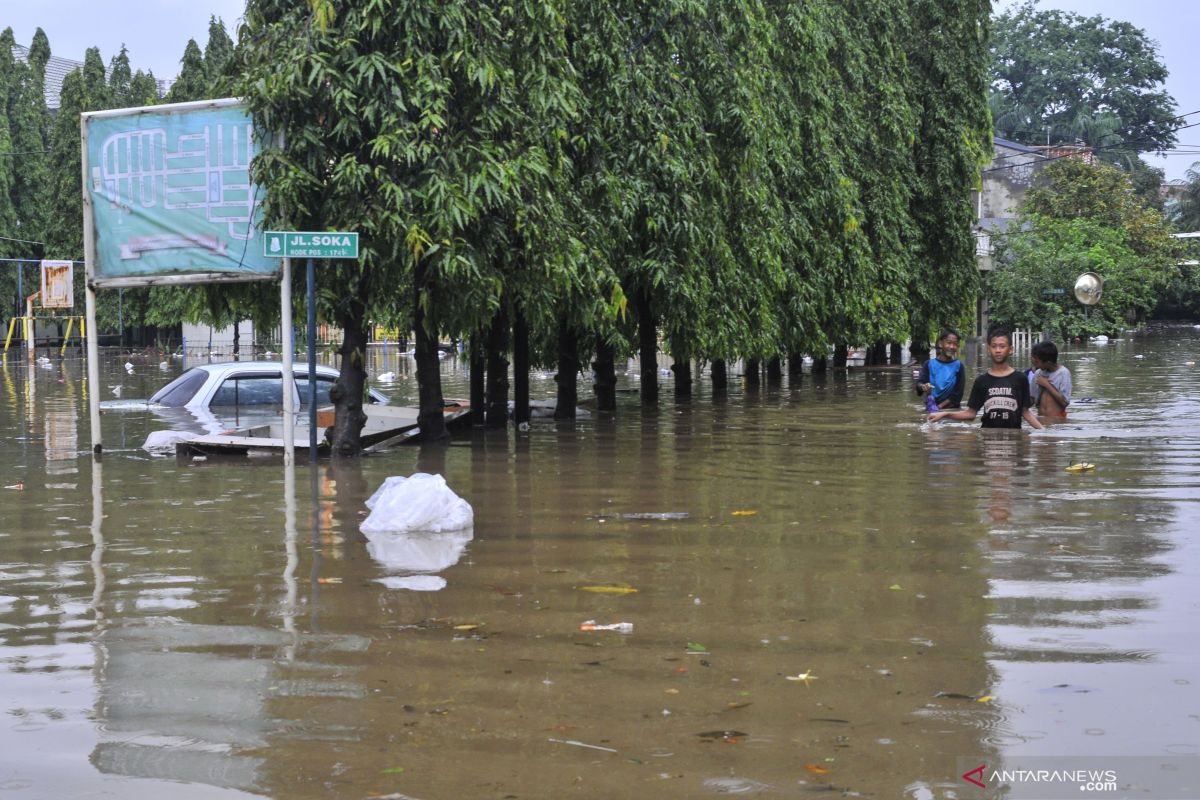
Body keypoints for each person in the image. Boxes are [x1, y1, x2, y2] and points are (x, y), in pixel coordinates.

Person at [929, 327, 1043, 430]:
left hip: (1013, 439)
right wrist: (944, 414)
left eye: (1002, 346)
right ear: (988, 349)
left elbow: (1026, 412)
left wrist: (1044, 432)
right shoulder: (982, 381)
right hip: (987, 438)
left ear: (1011, 349)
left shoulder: (1020, 378)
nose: (998, 350)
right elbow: (971, 414)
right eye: (994, 346)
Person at [914, 328, 965, 409]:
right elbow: (919, 385)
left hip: (951, 410)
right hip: (931, 408)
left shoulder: (959, 366)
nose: (952, 347)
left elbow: (958, 394)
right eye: (948, 343)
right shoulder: (929, 364)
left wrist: (939, 408)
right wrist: (923, 386)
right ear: (940, 344)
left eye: (955, 344)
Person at [1028, 340, 1071, 417]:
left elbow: (1065, 402)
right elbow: (1032, 399)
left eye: (1037, 361)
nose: (1034, 362)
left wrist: (1047, 385)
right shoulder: (1038, 373)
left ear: (1048, 362)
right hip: (1040, 418)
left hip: (1058, 419)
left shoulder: (1063, 373)